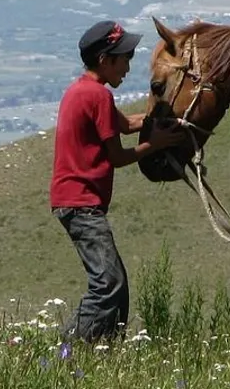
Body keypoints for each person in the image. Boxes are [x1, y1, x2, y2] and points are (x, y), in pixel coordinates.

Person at [50, 19, 184, 342]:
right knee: (108, 284)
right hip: (81, 203)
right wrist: (157, 144)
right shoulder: (98, 96)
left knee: (114, 283)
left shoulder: (81, 90)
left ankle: (104, 348)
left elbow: (124, 124)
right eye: (124, 58)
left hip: (72, 201)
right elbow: (117, 157)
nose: (128, 65)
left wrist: (160, 120)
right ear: (104, 60)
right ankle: (64, 350)